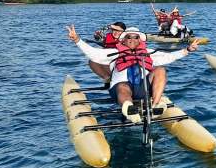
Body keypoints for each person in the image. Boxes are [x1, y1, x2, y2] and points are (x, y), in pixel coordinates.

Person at [67, 25, 200, 123]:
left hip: (143, 89)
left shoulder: (148, 51)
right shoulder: (114, 52)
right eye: (128, 37)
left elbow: (168, 57)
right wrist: (77, 40)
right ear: (123, 40)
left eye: (136, 37)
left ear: (139, 40)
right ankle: (130, 110)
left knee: (160, 70)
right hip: (120, 89)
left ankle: (155, 106)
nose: (132, 39)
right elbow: (93, 53)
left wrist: (187, 50)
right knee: (123, 86)